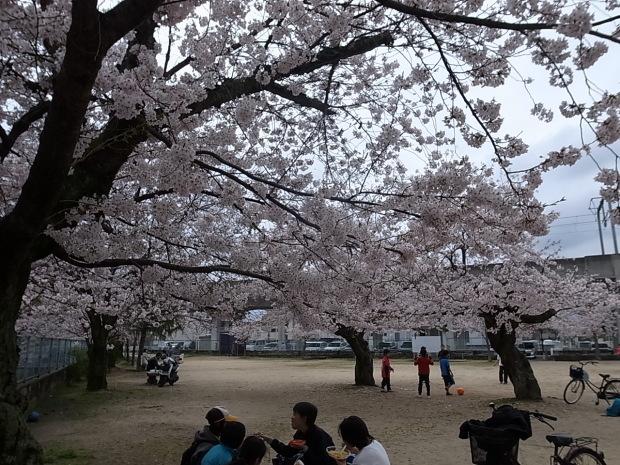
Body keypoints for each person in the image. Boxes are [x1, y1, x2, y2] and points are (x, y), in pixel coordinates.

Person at [257, 401, 334, 465]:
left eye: (295, 414)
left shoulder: (319, 436)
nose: (292, 417)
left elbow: (324, 462)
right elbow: (287, 452)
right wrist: (269, 439)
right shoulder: (300, 434)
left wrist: (305, 449)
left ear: (304, 418)